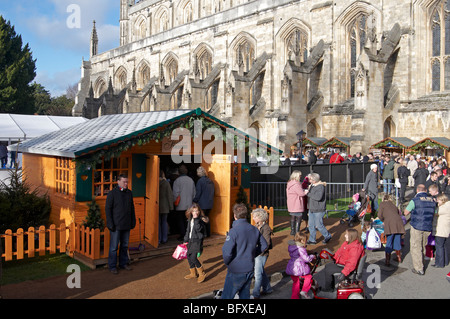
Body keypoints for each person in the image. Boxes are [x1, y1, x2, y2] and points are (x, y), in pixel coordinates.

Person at [221, 203, 268, 299]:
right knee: (245, 295)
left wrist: (228, 262)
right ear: (246, 215)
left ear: (234, 216)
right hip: (249, 268)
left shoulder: (233, 231)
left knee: (227, 296)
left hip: (236, 270)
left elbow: (227, 252)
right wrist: (252, 254)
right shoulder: (254, 229)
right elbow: (264, 245)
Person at [105, 174, 136, 274]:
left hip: (126, 224)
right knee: (114, 247)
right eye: (124, 182)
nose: (126, 183)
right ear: (118, 182)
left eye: (127, 182)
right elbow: (108, 209)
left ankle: (123, 263)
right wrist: (110, 224)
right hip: (116, 225)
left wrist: (133, 221)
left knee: (124, 245)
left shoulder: (129, 193)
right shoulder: (112, 194)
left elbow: (132, 208)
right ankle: (112, 266)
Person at [403, 184, 437, 275]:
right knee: (423, 245)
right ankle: (422, 262)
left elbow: (406, 212)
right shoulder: (432, 200)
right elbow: (435, 212)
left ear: (417, 191)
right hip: (428, 226)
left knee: (415, 246)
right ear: (425, 191)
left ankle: (418, 268)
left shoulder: (415, 200)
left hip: (417, 226)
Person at [183, 203, 209, 283]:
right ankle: (193, 273)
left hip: (197, 241)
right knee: (188, 255)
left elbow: (198, 229)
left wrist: (197, 219)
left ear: (199, 211)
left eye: (196, 211)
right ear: (190, 211)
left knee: (193, 257)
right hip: (191, 240)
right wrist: (185, 240)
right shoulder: (190, 219)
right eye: (193, 211)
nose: (195, 212)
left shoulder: (200, 220)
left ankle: (201, 273)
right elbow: (188, 231)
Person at [251, 208, 273, 299]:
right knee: (261, 272)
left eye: (255, 217)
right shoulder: (256, 226)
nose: (253, 218)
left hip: (262, 254)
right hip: (257, 252)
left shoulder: (266, 228)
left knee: (258, 274)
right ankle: (267, 288)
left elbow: (266, 243)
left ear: (260, 217)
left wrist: (258, 249)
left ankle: (256, 294)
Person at [377, 194, 406, 266]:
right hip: (398, 222)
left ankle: (387, 260)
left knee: (389, 241)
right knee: (397, 240)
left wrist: (383, 220)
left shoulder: (382, 204)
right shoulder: (393, 205)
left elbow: (379, 215)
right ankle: (399, 257)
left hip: (390, 223)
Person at [286, 232, 315, 299]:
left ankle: (294, 297)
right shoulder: (301, 248)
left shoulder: (292, 246)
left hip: (292, 265)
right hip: (299, 266)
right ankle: (304, 290)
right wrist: (312, 256)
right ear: (302, 241)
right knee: (308, 277)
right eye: (305, 241)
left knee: (296, 283)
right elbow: (306, 259)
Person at [306, 173, 332, 244]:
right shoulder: (312, 186)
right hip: (312, 209)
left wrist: (308, 193)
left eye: (310, 178)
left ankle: (327, 236)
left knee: (319, 225)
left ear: (314, 180)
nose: (309, 179)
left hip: (319, 209)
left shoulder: (320, 187)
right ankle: (312, 239)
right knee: (311, 225)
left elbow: (318, 197)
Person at [172, 164, 196, 241]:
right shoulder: (191, 180)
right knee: (187, 221)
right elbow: (194, 193)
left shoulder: (177, 181)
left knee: (180, 221)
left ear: (179, 172)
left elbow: (175, 193)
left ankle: (183, 235)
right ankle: (188, 234)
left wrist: (174, 202)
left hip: (180, 205)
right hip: (189, 204)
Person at [193, 166, 215, 237]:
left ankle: (202, 234)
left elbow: (198, 193)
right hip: (210, 203)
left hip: (202, 204)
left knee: (201, 219)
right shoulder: (211, 181)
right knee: (206, 218)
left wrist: (194, 200)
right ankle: (208, 234)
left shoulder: (200, 181)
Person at [286, 170, 308, 235]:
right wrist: (306, 191)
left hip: (291, 202)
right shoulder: (296, 184)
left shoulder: (289, 183)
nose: (301, 176)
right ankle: (297, 231)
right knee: (299, 217)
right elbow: (301, 194)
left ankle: (292, 231)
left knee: (293, 216)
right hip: (296, 202)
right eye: (300, 175)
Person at [433, 194, 450, 268]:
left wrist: (435, 205)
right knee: (445, 247)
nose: (437, 201)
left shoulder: (442, 208)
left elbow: (435, 212)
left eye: (438, 200)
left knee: (439, 246)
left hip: (440, 230)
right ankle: (446, 261)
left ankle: (439, 263)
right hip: (447, 229)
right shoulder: (448, 206)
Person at [159, 170, 173, 244]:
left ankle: (158, 239)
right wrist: (171, 207)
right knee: (164, 222)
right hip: (165, 206)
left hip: (156, 206)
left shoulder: (154, 182)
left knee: (158, 223)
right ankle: (164, 239)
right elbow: (169, 195)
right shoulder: (166, 183)